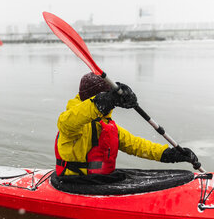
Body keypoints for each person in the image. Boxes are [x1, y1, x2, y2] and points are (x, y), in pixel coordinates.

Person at [55, 72, 199, 177]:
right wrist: (103, 102)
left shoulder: (106, 125)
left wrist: (168, 154)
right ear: (98, 97)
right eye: (107, 96)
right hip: (73, 182)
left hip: (99, 180)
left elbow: (136, 145)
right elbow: (72, 119)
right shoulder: (70, 123)